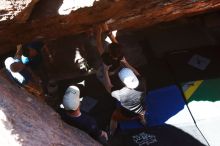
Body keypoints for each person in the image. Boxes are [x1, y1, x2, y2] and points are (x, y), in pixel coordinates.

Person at [103, 66, 147, 135]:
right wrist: (126, 62)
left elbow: (108, 87)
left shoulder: (120, 93)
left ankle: (111, 133)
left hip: (129, 114)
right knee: (141, 111)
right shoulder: (142, 82)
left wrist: (105, 71)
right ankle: (142, 120)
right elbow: (138, 74)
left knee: (114, 117)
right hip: (142, 108)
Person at [95, 23, 140, 90]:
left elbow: (99, 44)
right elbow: (115, 44)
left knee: (100, 74)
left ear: (109, 53)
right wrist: (107, 31)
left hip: (110, 69)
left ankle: (109, 73)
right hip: (114, 68)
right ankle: (112, 72)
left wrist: (99, 31)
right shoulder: (119, 54)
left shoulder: (107, 59)